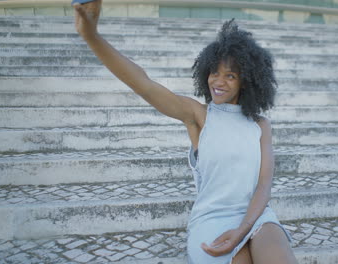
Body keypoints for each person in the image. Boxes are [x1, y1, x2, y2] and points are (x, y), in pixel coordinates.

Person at [73, 1, 298, 263]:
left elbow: (263, 185)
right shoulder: (199, 115)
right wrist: (92, 36)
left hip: (257, 216)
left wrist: (242, 230)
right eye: (214, 72)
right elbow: (143, 84)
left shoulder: (261, 125)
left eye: (230, 76)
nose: (218, 81)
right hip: (213, 219)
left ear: (247, 80)